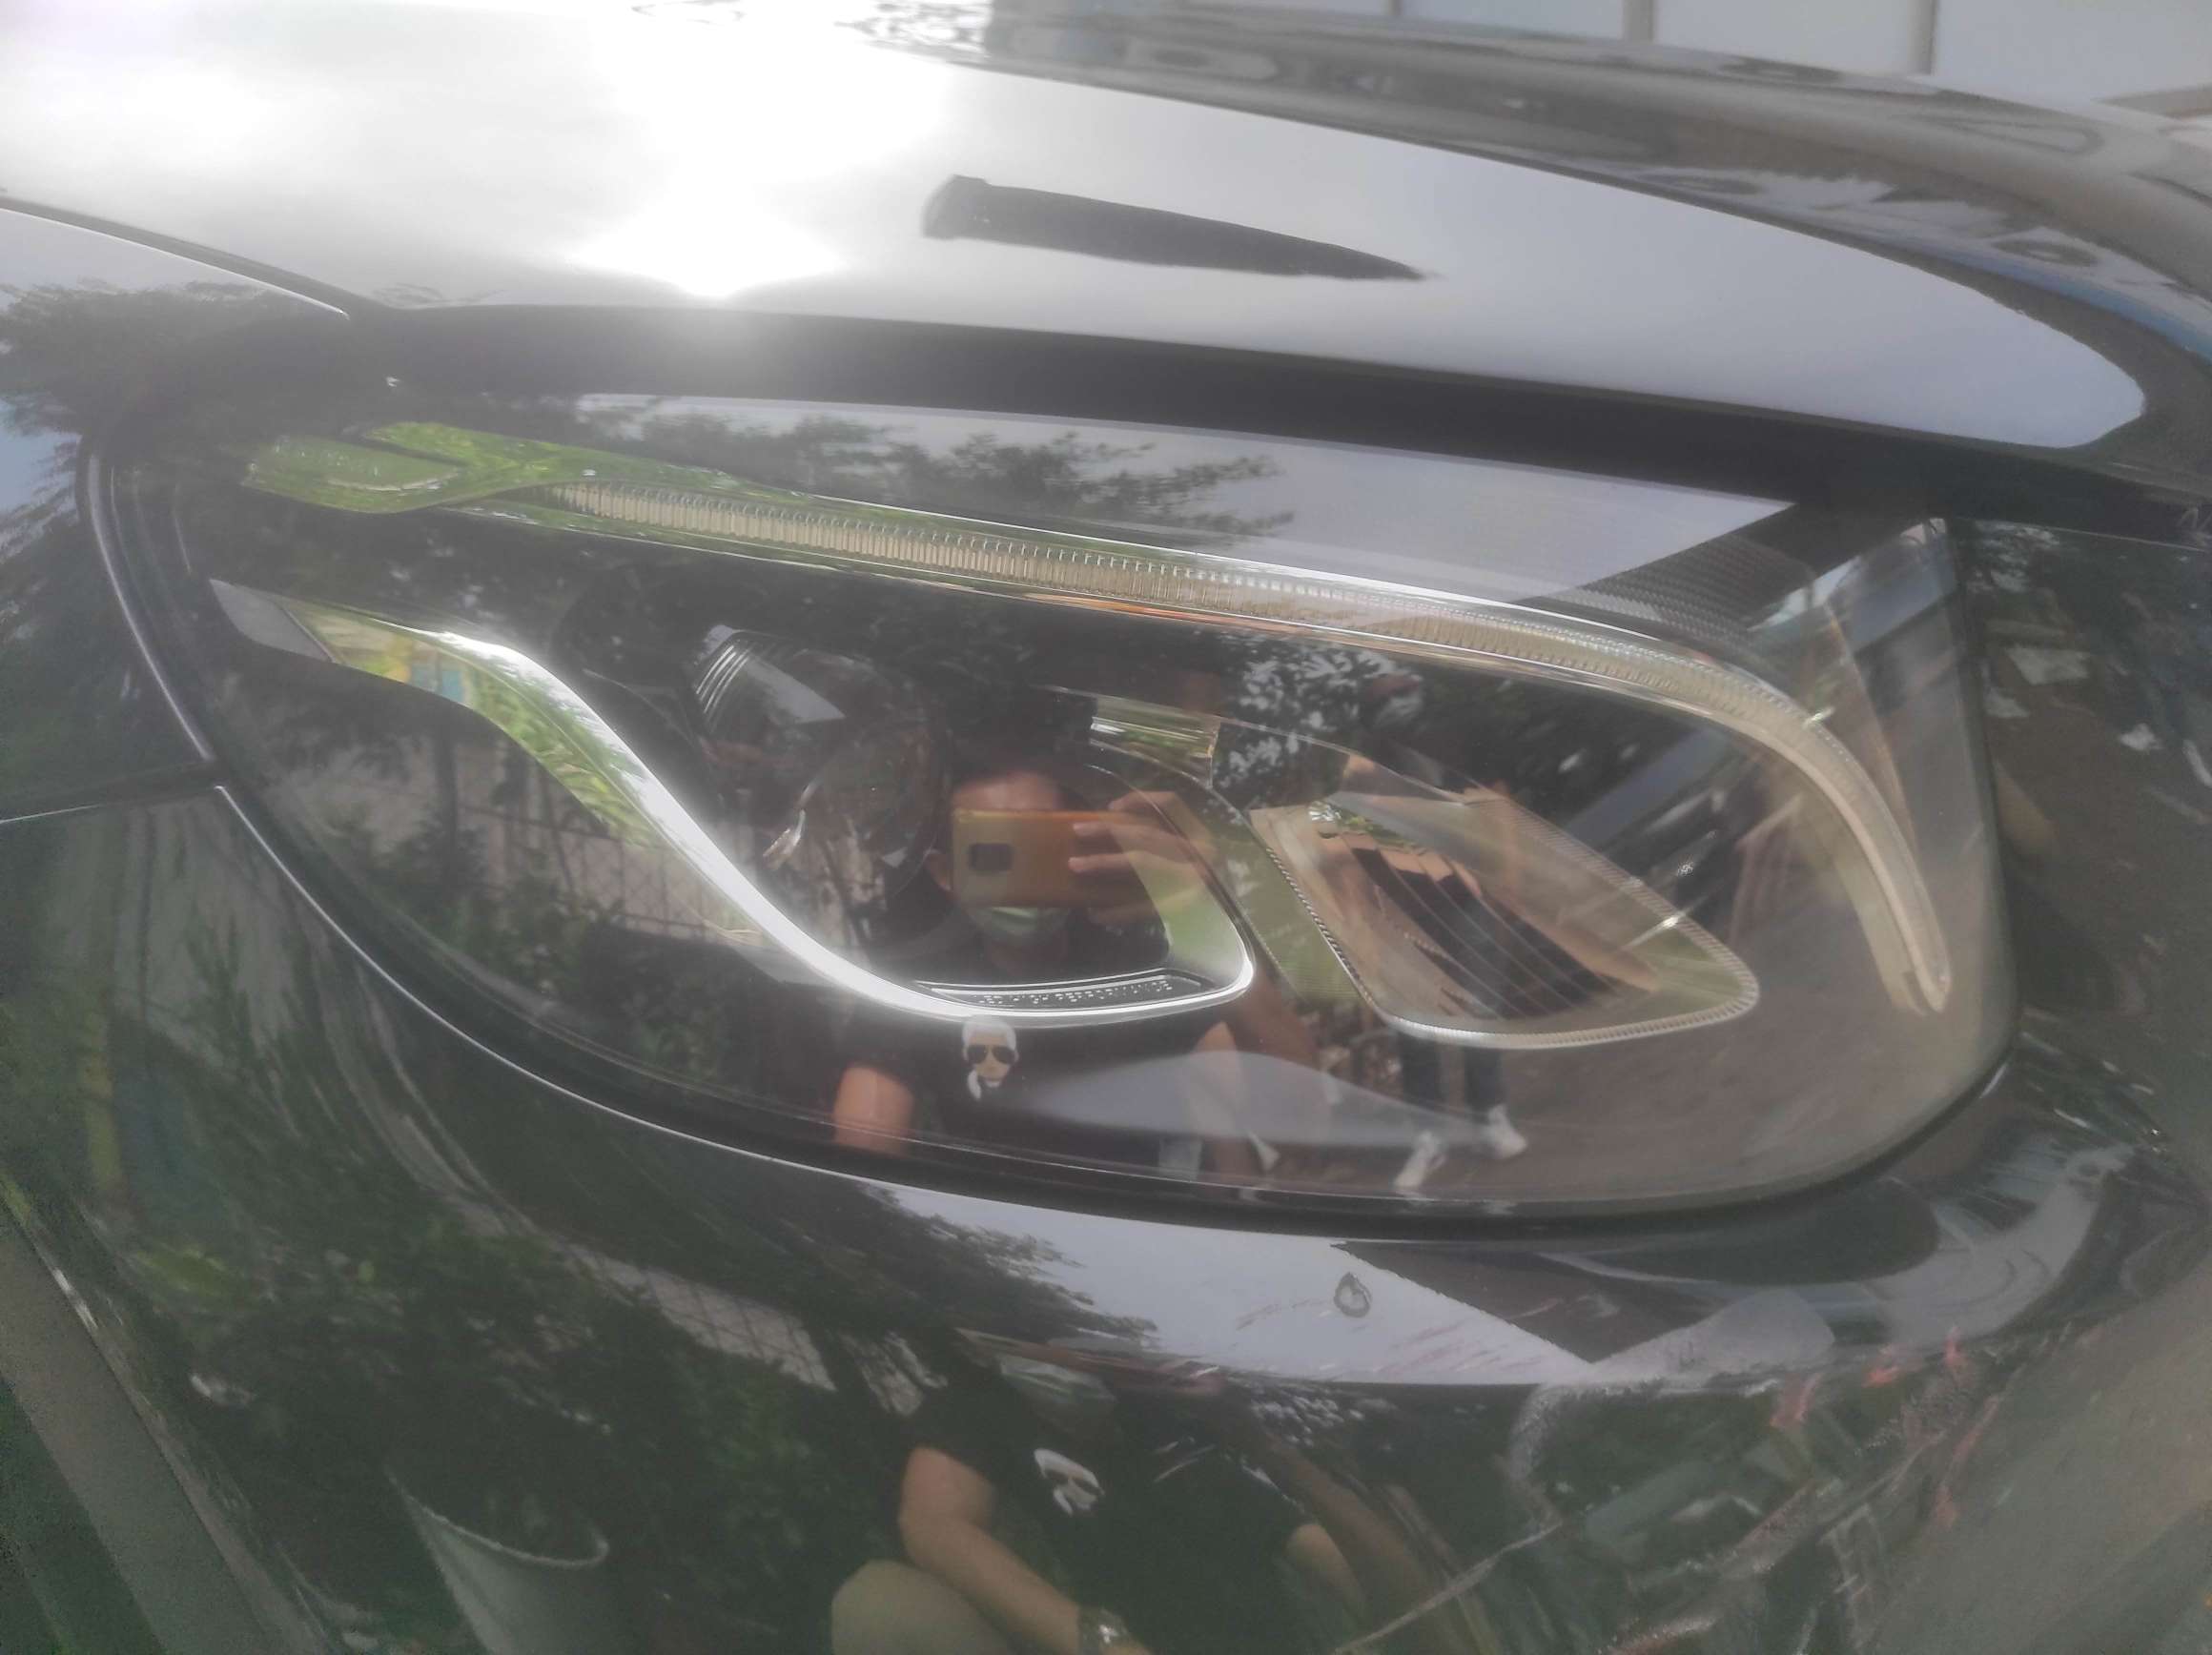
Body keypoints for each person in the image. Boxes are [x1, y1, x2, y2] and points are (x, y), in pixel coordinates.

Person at [830, 763, 1266, 1174]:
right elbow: (864, 1159)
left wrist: (1203, 918)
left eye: (1042, 844)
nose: (1022, 872)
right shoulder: (918, 994)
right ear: (946, 873)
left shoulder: (1143, 973)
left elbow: (1260, 1135)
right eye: (993, 853)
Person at [831, 1337, 1363, 1655]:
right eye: (1025, 1322)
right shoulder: (980, 1410)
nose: (1068, 1346)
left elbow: (1357, 1575)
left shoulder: (1177, 1420)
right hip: (1086, 1641)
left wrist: (1263, 1443)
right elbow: (934, 1526)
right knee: (880, 1599)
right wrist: (1107, 1645)